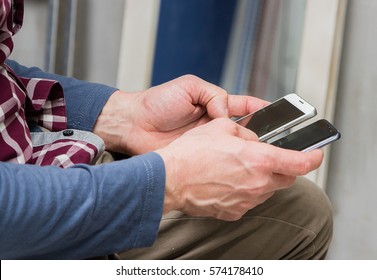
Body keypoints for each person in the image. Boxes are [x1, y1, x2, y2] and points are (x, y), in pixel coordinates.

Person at [0, 0, 333, 259]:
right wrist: (171, 183)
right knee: (301, 221)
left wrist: (121, 116)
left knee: (296, 207)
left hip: (32, 159)